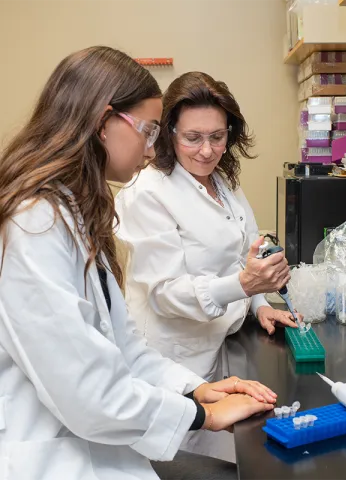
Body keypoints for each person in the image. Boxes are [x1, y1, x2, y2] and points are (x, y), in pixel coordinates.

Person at [0, 47, 277, 480]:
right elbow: (88, 393)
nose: (152, 149)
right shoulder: (35, 224)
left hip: (103, 438)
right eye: (148, 131)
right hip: (55, 456)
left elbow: (123, 347)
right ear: (101, 122)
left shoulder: (75, 212)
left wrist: (197, 389)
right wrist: (202, 414)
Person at [115, 72, 299, 387]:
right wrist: (245, 285)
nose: (207, 150)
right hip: (173, 362)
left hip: (223, 345)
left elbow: (244, 252)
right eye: (193, 137)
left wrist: (260, 305)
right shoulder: (147, 192)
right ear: (168, 134)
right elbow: (166, 294)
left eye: (217, 137)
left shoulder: (221, 180)